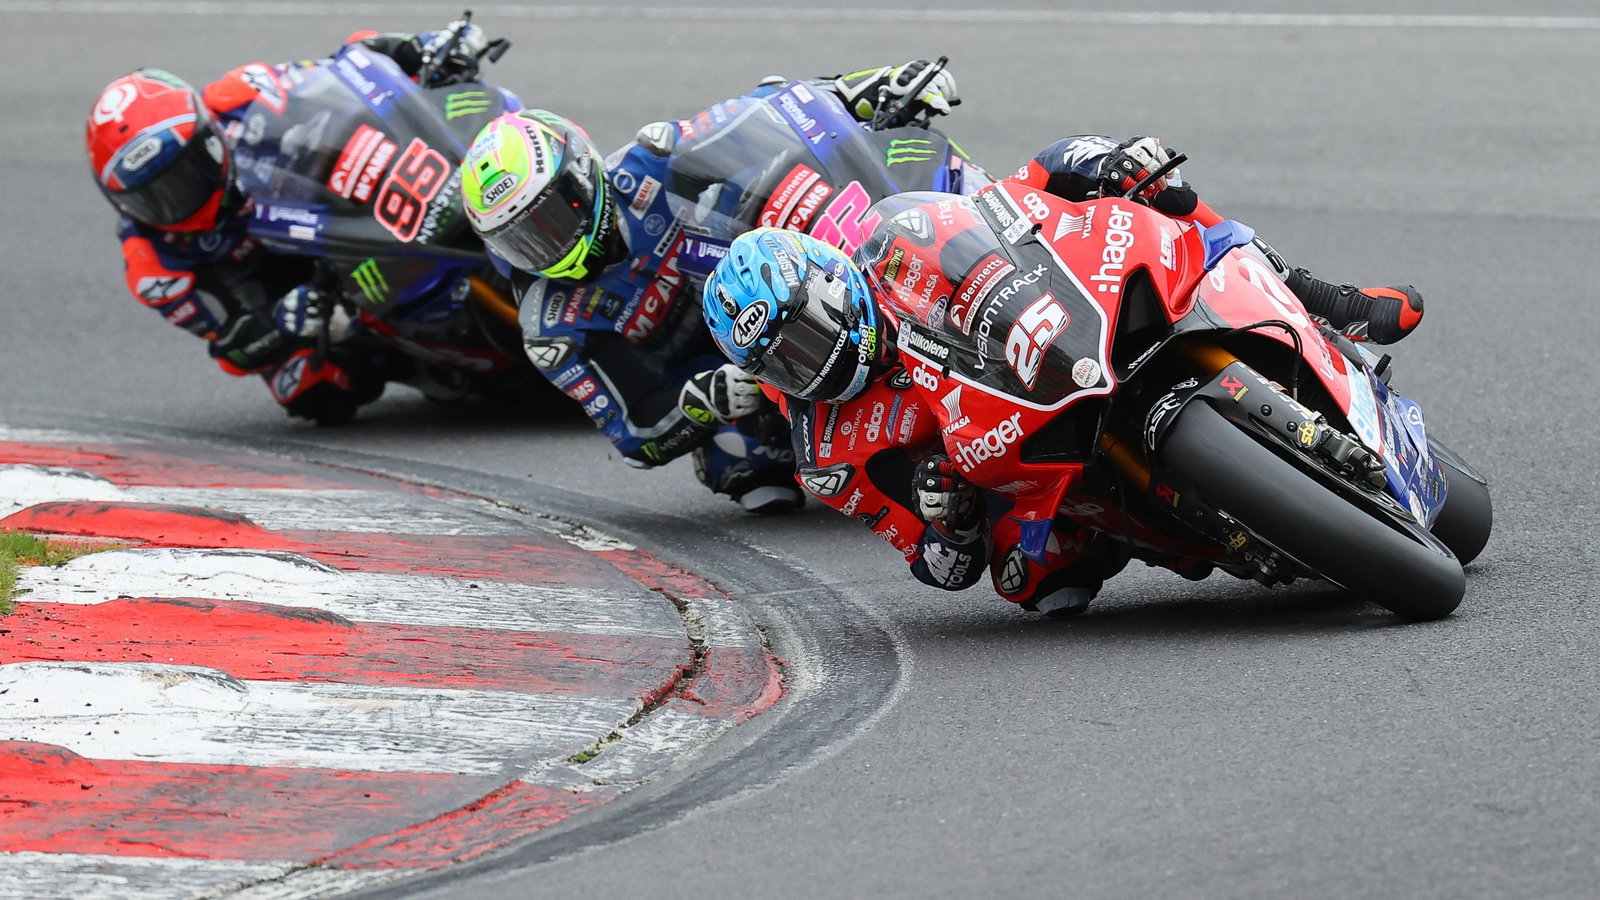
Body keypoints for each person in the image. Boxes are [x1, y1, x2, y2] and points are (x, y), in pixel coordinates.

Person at [700, 136, 1425, 614]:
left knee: (1153, 192)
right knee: (1042, 587)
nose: (806, 365)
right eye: (779, 364)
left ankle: (1320, 296)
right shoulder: (827, 450)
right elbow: (938, 569)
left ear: (834, 285)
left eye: (801, 337)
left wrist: (1096, 161)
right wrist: (946, 521)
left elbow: (1011, 196)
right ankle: (1209, 528)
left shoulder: (895, 251)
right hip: (1013, 465)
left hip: (1051, 344)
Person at [457, 62, 962, 512]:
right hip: (732, 372)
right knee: (754, 472)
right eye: (521, 237)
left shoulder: (648, 161)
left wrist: (863, 89)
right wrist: (701, 402)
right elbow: (634, 432)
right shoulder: (550, 324)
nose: (547, 243)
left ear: (582, 175)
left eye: (549, 215)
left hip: (775, 285)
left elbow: (769, 110)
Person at [86, 22, 505, 424]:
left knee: (450, 100)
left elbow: (345, 70)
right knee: (311, 390)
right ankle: (431, 363)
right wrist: (280, 323)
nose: (173, 202)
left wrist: (419, 49)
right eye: (150, 197)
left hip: (342, 200)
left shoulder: (240, 92)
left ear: (208, 141)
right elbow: (234, 350)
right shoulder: (154, 268)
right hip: (300, 293)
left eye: (181, 178)